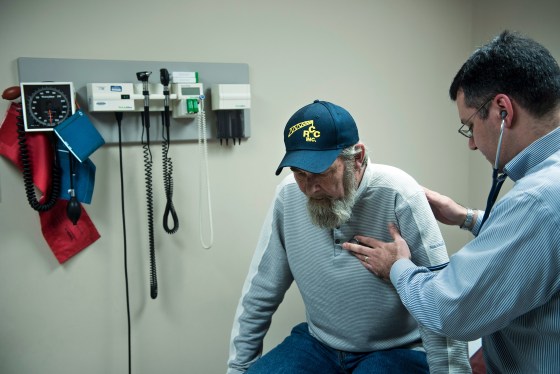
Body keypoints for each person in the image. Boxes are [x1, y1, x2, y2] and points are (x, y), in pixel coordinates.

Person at [343, 30, 560, 373]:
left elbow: (449, 309)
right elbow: (542, 249)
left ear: (503, 111)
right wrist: (467, 218)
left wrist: (397, 266)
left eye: (469, 126)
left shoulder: (538, 199)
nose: (472, 144)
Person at [227, 100, 471, 373]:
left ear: (356, 158)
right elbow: (260, 291)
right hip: (317, 343)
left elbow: (440, 301)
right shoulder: (288, 196)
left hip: (396, 348)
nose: (310, 188)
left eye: (321, 173)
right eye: (299, 174)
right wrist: (239, 369)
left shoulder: (400, 193)